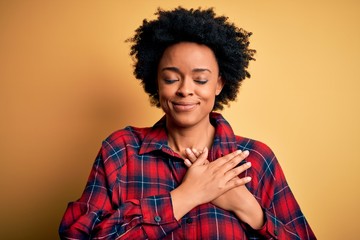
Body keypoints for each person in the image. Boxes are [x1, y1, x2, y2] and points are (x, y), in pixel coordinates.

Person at [59, 7, 316, 239]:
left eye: (201, 80)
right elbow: (77, 236)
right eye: (171, 79)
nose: (185, 90)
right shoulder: (121, 151)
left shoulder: (256, 160)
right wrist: (185, 196)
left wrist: (249, 210)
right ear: (156, 82)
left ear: (219, 84)